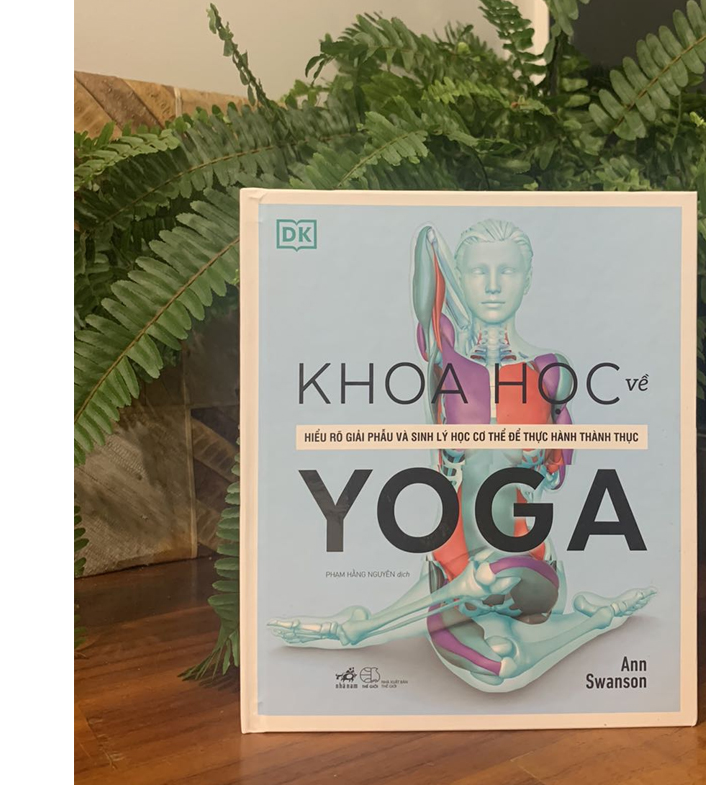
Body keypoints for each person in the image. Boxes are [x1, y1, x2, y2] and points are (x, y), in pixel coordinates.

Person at [268, 219, 653, 692]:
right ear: (461, 279)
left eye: (507, 271)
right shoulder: (445, 360)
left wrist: (534, 453)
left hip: (523, 565)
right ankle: (593, 619)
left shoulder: (550, 371)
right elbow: (427, 256)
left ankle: (577, 619)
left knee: (498, 581)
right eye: (477, 272)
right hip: (450, 562)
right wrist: (434, 241)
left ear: (527, 279)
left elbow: (556, 475)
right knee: (498, 671)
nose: (492, 285)